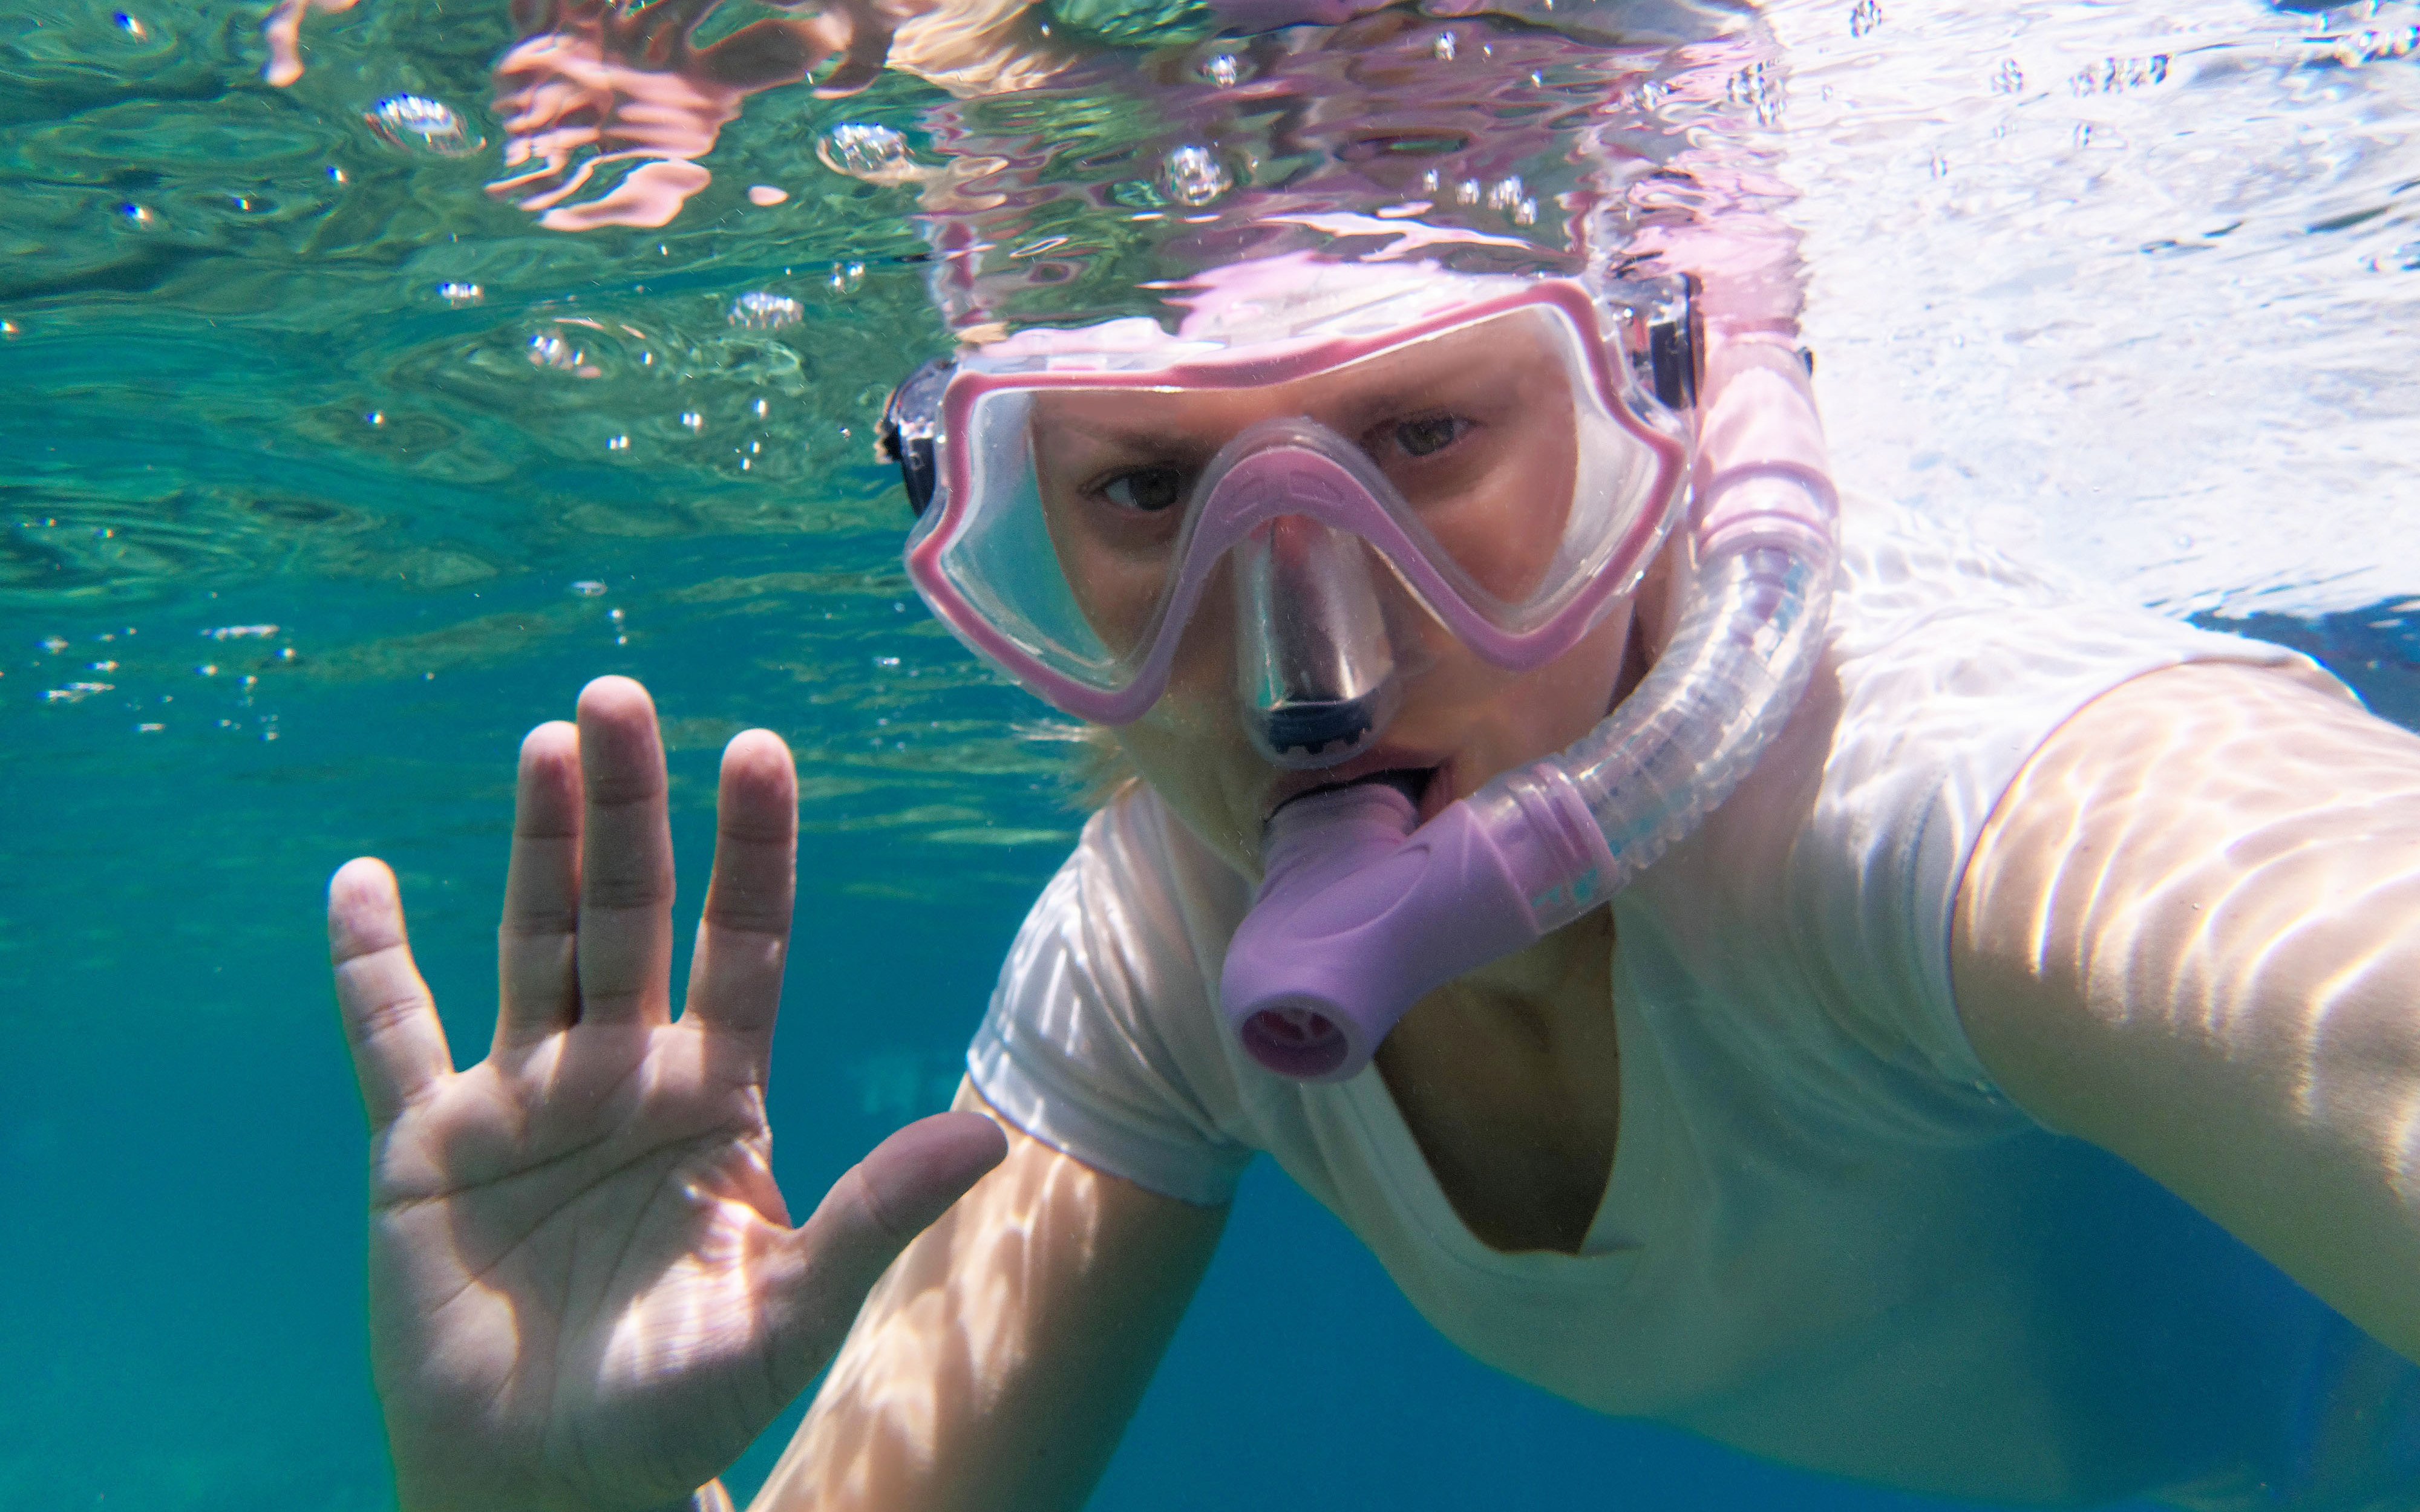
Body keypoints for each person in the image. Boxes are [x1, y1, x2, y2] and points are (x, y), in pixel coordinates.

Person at [324, 4, 2420, 1510]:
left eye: (1427, 439)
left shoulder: (1920, 781)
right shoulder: (1159, 936)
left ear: (1653, 431)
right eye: (1151, 492)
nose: (1306, 665)